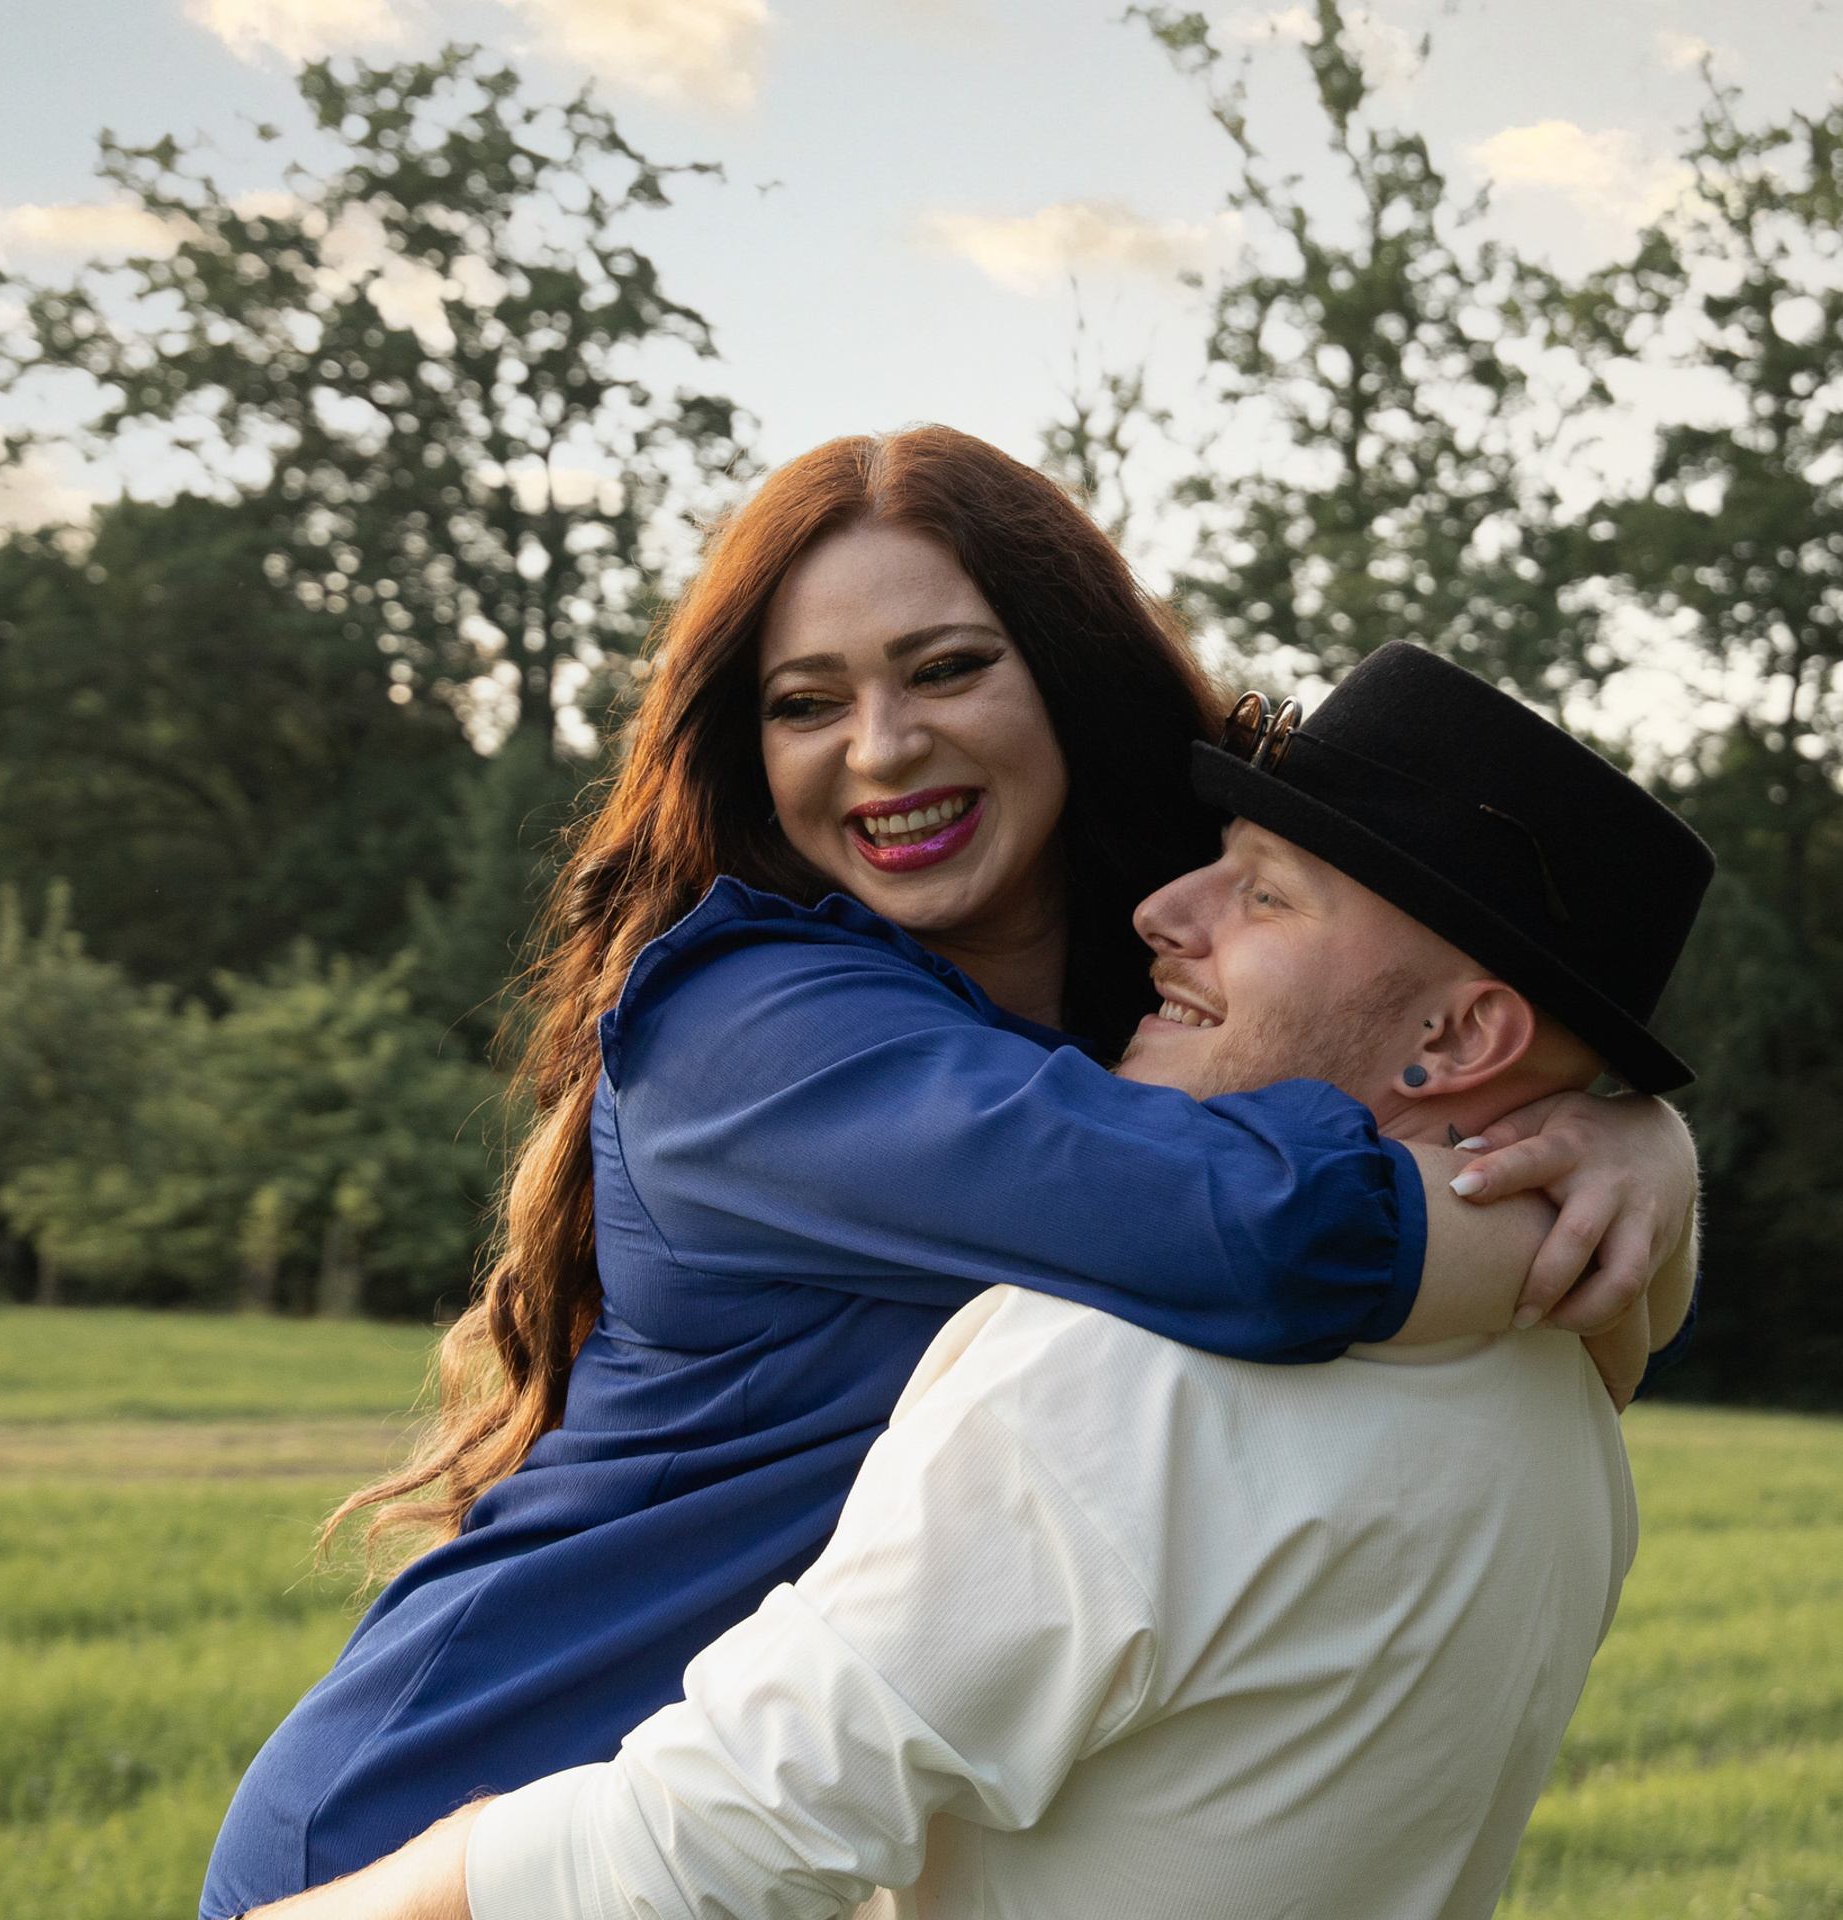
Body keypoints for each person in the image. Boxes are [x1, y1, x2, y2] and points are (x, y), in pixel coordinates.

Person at [202, 434, 1698, 1916]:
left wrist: (1607, 1116)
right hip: (446, 1828)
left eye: (944, 669)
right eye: (806, 702)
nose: (880, 745)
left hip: (725, 1839)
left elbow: (1399, 1052)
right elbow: (1261, 1225)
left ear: (1066, 685)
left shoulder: (1160, 1017)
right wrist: (1568, 1171)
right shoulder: (759, 1030)